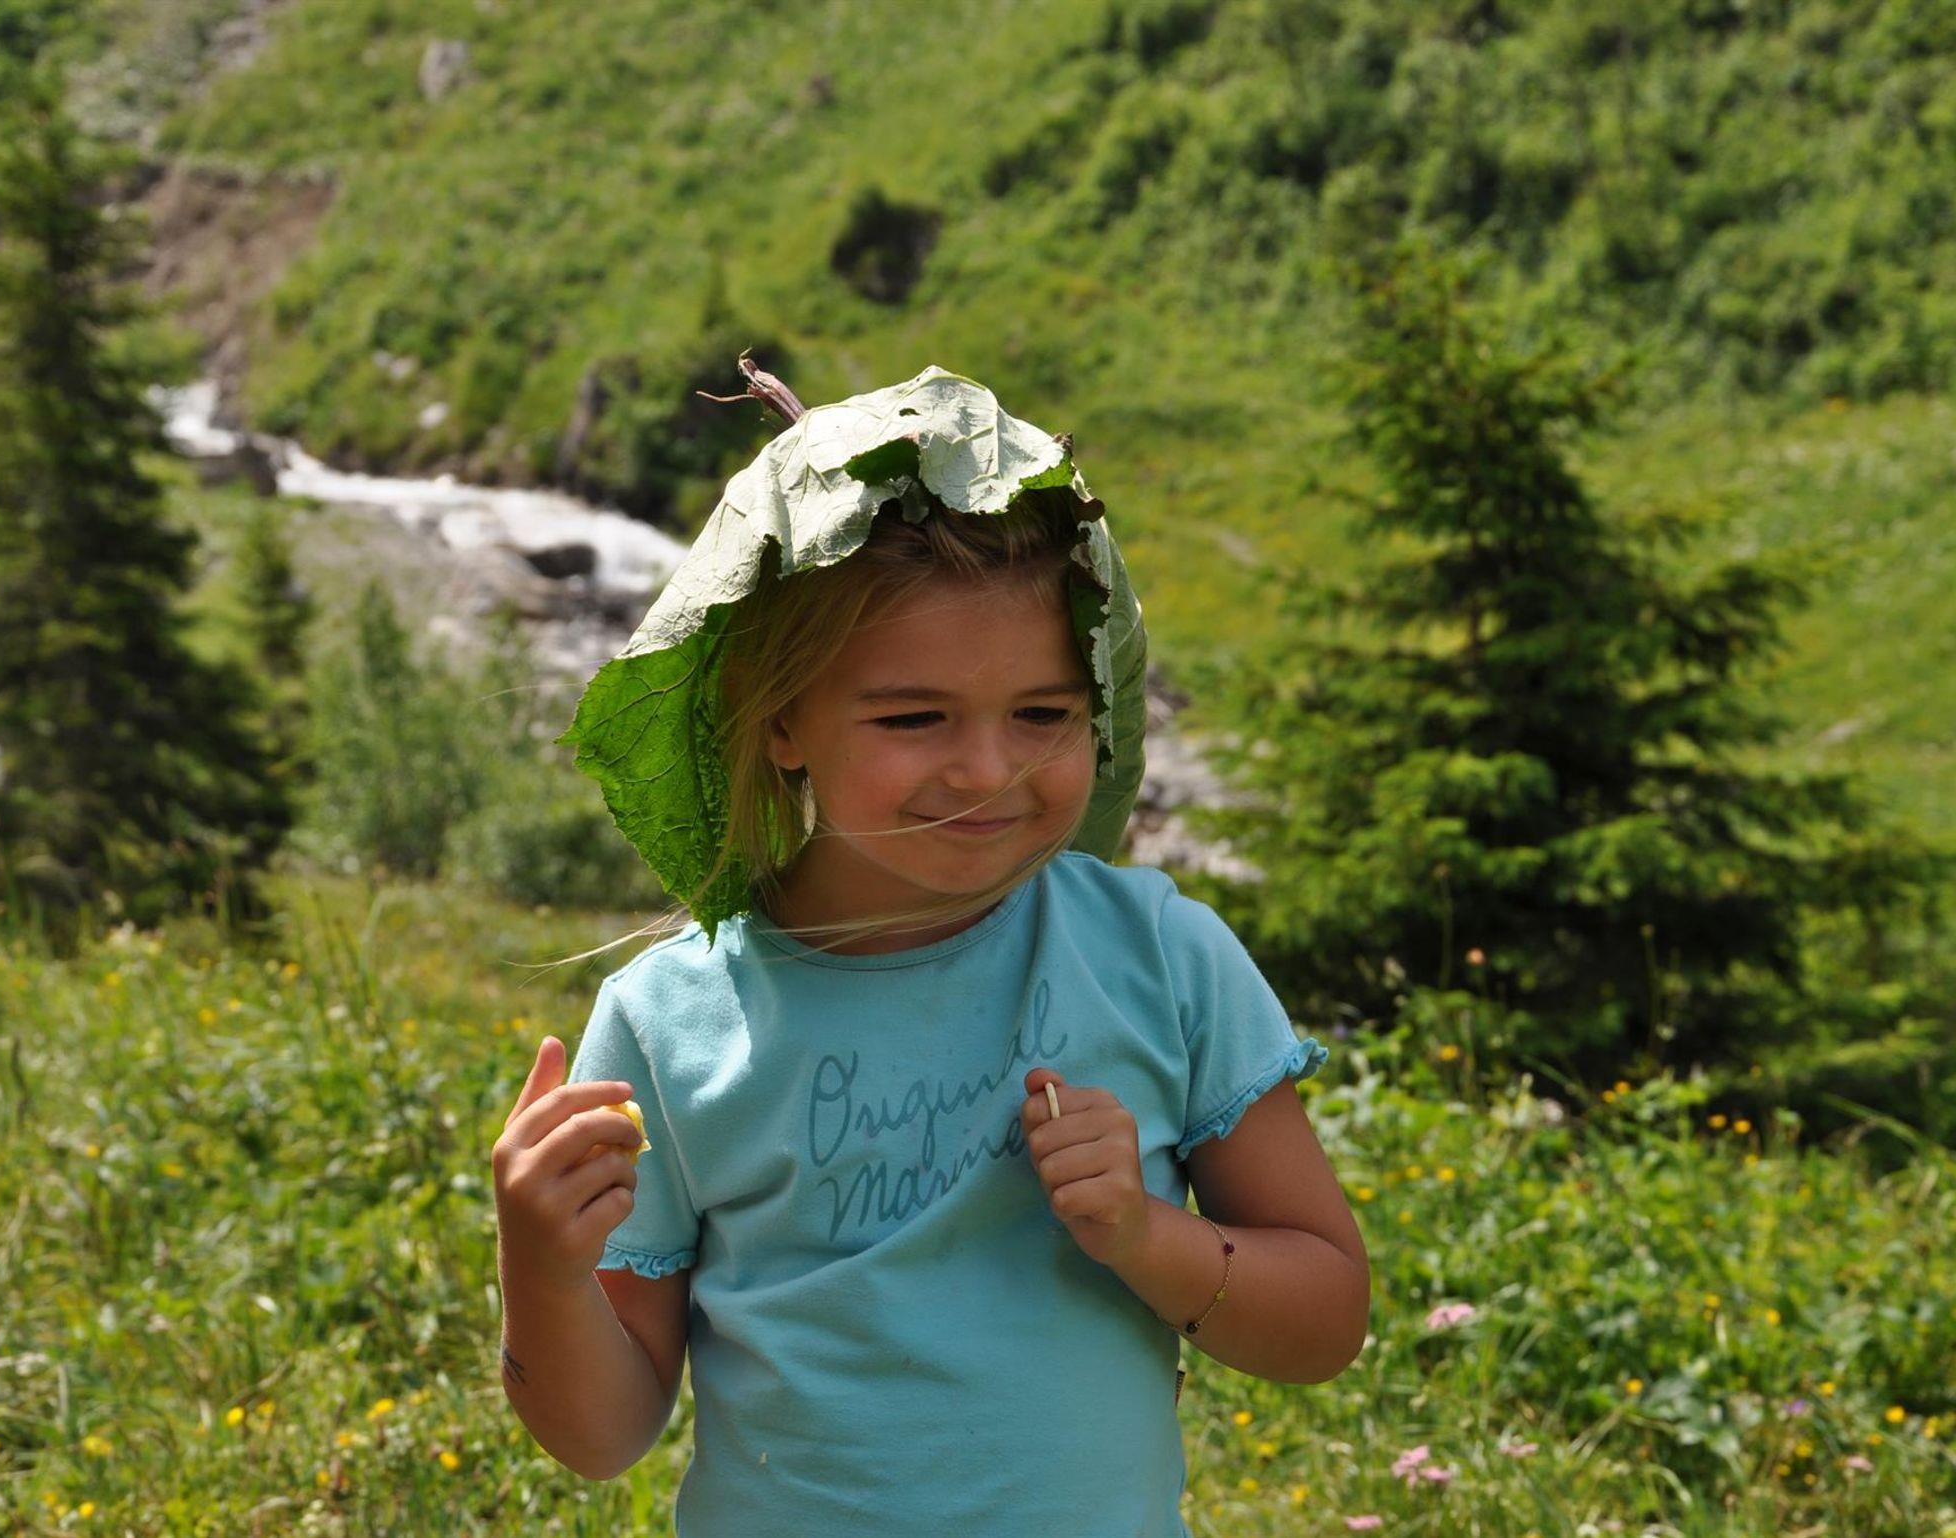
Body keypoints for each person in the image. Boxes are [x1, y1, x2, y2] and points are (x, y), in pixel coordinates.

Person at [491, 367, 1369, 1536]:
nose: (987, 770)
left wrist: (1145, 1236)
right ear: (778, 715)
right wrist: (542, 1267)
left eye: (1043, 714)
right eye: (913, 717)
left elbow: (1324, 1319)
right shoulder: (670, 1024)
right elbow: (602, 1435)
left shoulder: (1158, 958)